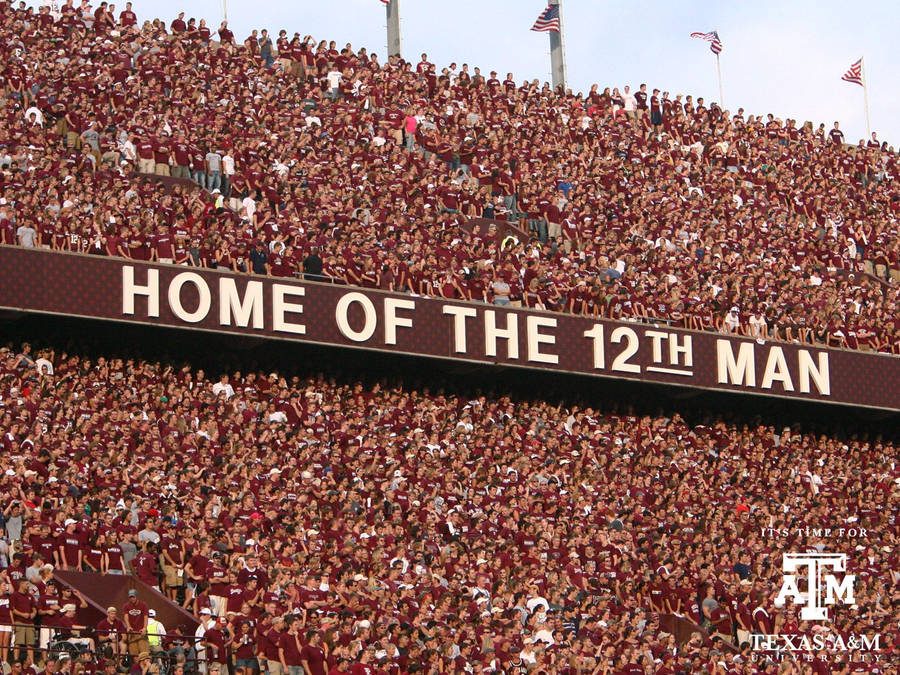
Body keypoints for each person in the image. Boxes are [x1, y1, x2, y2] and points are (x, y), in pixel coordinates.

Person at [123, 589, 150, 658]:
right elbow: (126, 617)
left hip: (141, 631)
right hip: (132, 632)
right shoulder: (126, 606)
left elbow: (145, 617)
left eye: (133, 597)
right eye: (130, 597)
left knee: (144, 653)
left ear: (136, 596)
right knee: (134, 654)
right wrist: (128, 626)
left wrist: (144, 628)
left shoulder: (143, 605)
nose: (132, 599)